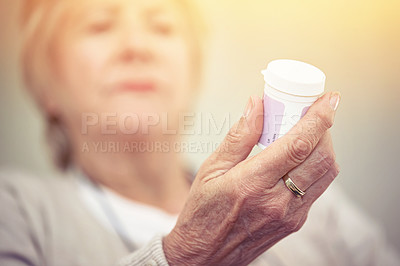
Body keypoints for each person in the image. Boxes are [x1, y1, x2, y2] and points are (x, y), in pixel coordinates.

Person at [0, 0, 398, 265]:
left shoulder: (303, 205)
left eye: (162, 27)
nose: (137, 46)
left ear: (192, 72)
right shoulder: (16, 212)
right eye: (99, 26)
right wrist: (189, 254)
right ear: (46, 84)